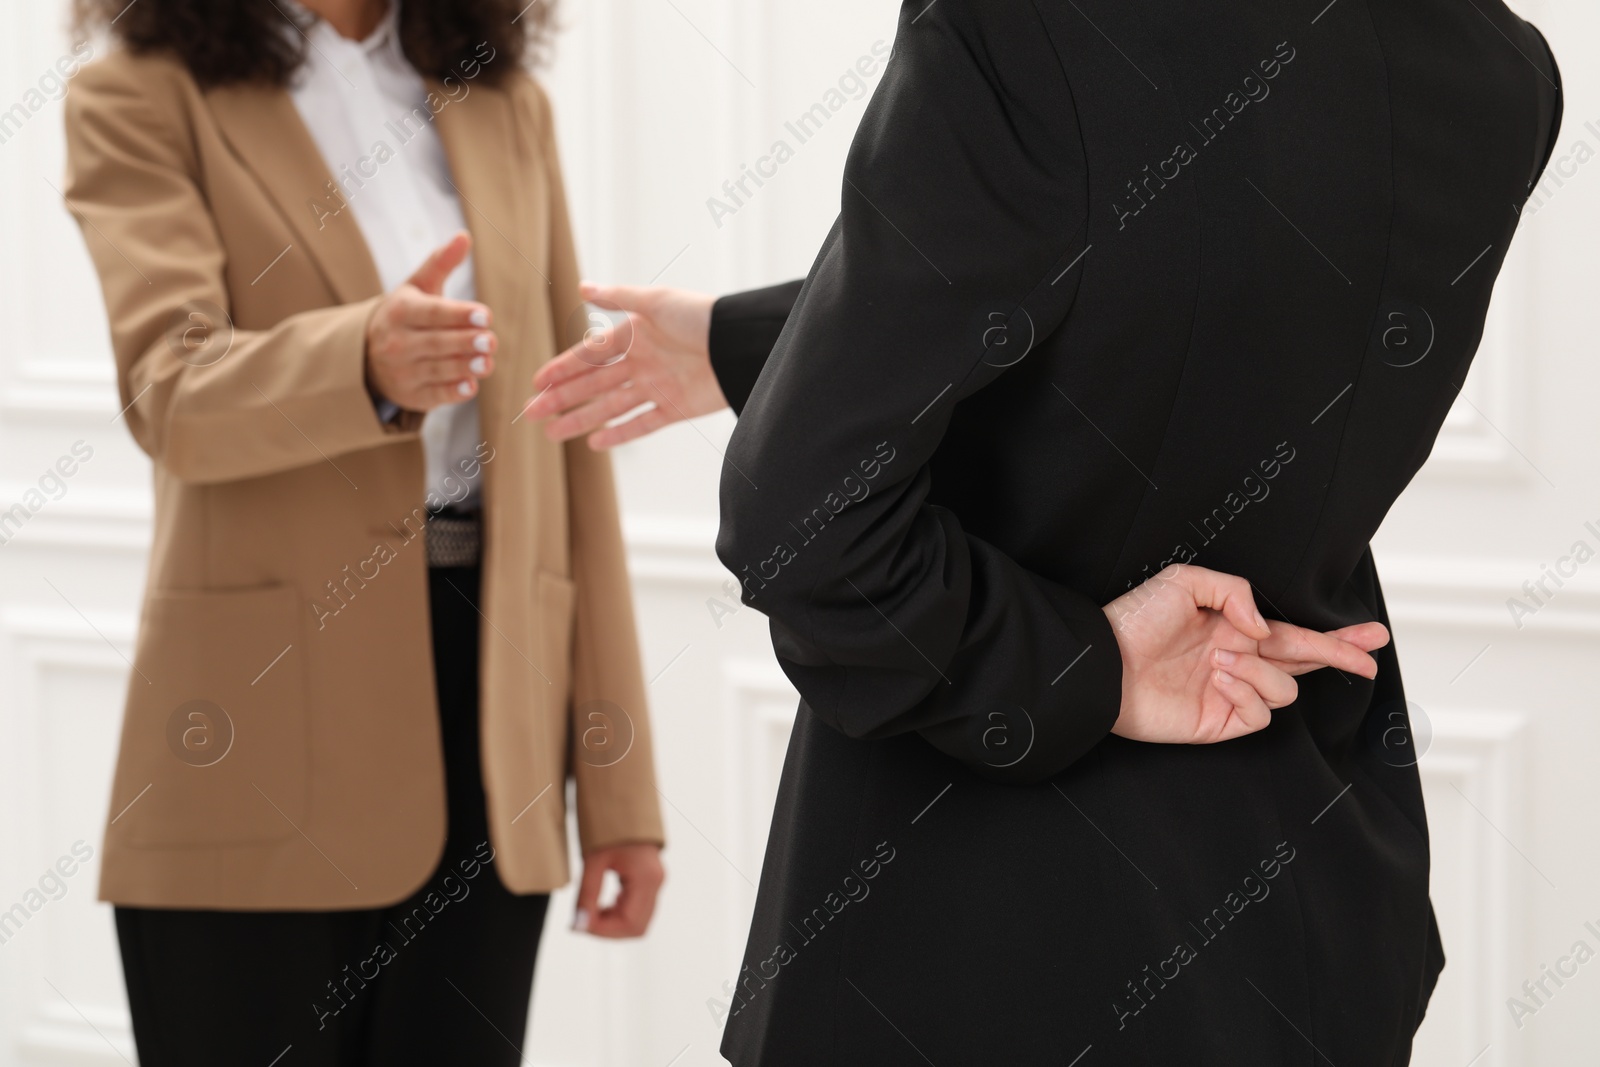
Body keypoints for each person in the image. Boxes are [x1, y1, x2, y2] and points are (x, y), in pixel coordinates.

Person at [526, 0, 1563, 1061]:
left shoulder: (1032, 24)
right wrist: (743, 342)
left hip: (982, 940)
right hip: (1316, 912)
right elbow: (1193, 275)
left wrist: (1090, 669)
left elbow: (804, 525)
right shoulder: (1502, 71)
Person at [63, 1, 664, 1063]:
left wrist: (619, 784)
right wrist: (363, 365)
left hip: (493, 719)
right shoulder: (139, 94)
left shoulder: (501, 101)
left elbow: (571, 443)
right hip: (257, 736)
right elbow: (170, 388)